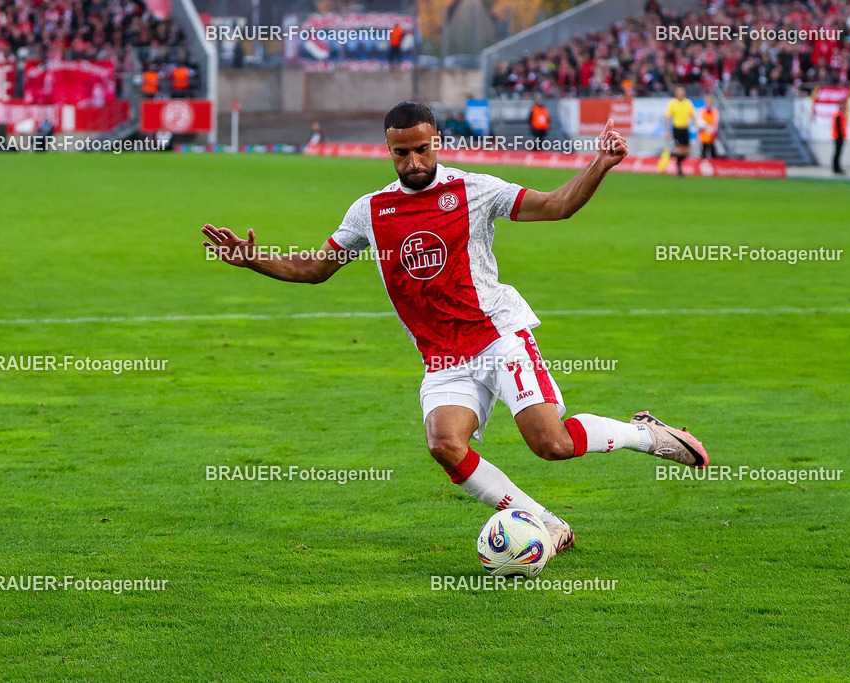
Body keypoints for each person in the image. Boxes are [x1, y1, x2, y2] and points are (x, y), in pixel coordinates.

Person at [201, 101, 709, 560]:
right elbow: (315, 268)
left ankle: (644, 433)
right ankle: (547, 525)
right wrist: (254, 259)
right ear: (389, 150)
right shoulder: (370, 210)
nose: (414, 162)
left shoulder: (474, 190)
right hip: (442, 357)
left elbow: (557, 206)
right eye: (402, 154)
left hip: (497, 336)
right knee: (445, 443)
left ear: (436, 142)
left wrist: (600, 163)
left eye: (422, 149)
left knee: (550, 444)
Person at [664, 86, 695, 176]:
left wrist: (698, 124)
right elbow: (667, 117)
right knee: (679, 150)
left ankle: (677, 161)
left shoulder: (688, 103)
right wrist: (667, 131)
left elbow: (692, 115)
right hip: (677, 129)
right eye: (679, 91)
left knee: (687, 151)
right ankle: (679, 169)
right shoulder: (673, 103)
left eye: (682, 91)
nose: (680, 93)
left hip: (685, 128)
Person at [831, 100, 848, 175]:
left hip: (839, 136)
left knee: (838, 152)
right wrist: (841, 136)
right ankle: (836, 167)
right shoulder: (838, 114)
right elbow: (839, 127)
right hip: (838, 136)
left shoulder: (840, 114)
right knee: (837, 152)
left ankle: (837, 167)